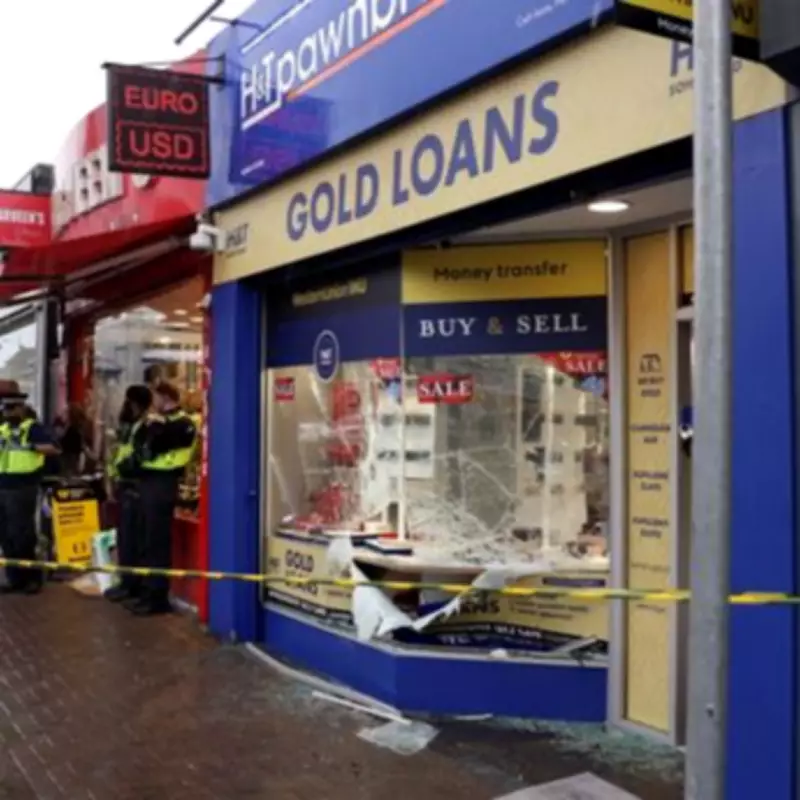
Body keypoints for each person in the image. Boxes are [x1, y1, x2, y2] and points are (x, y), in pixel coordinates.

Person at [123, 381, 196, 615]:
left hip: (163, 482)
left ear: (165, 397)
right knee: (144, 538)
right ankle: (145, 590)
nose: (151, 404)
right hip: (146, 482)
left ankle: (157, 596)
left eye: (155, 398)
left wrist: (156, 428)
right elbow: (139, 448)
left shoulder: (184, 423)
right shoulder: (154, 421)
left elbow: (158, 445)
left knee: (157, 541)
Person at [0, 386, 60, 594]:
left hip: (23, 486)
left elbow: (53, 447)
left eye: (12, 408)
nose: (7, 413)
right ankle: (14, 577)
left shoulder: (32, 428)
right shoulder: (3, 429)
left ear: (21, 408)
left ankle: (32, 578)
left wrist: (31, 447)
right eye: (5, 409)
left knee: (22, 534)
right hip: (3, 484)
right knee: (5, 535)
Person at [105, 385, 152, 604]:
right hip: (124, 484)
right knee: (125, 537)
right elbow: (117, 452)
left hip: (135, 485)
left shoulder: (143, 426)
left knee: (134, 538)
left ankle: (134, 585)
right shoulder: (128, 426)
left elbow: (137, 457)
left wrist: (122, 471)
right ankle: (127, 582)